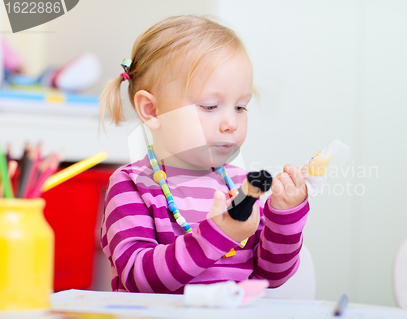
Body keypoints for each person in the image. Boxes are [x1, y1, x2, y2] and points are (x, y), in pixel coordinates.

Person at [99, 15, 309, 293]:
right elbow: (139, 278)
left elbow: (270, 275)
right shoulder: (132, 186)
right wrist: (216, 237)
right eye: (210, 106)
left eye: (240, 107)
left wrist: (284, 216)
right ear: (151, 110)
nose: (231, 123)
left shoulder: (238, 186)